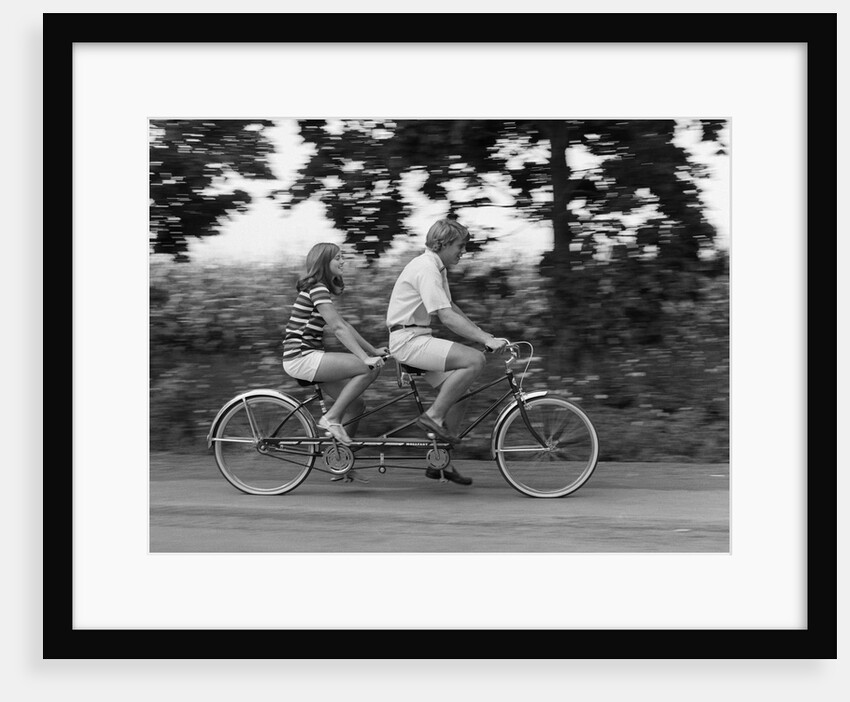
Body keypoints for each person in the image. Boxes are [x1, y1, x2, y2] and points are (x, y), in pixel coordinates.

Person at [386, 217, 508, 486]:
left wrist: (484, 335)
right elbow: (445, 317)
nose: (463, 251)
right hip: (408, 340)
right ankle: (433, 416)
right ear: (442, 244)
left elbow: (450, 307)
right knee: (474, 360)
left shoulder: (437, 268)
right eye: (460, 246)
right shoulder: (426, 268)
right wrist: (483, 342)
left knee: (461, 396)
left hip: (416, 336)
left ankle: (439, 462)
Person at [282, 243, 389, 481]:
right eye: (338, 258)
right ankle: (330, 419)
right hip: (301, 356)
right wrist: (365, 358)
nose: (343, 262)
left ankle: (343, 463)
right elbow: (338, 328)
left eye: (343, 257)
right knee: (366, 369)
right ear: (323, 262)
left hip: (309, 356)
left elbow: (345, 325)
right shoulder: (317, 288)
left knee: (355, 405)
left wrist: (373, 350)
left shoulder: (320, 290)